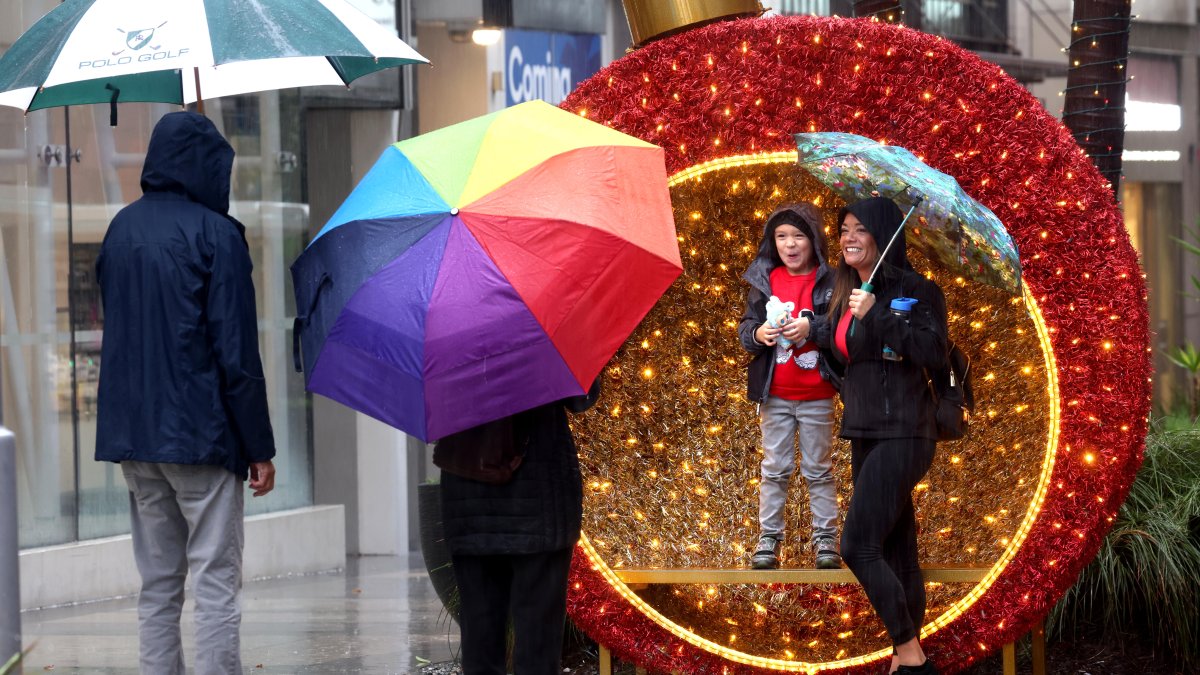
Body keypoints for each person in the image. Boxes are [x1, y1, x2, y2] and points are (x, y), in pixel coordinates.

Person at [95, 111, 277, 675]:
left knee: (158, 584)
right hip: (202, 436)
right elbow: (236, 355)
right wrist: (259, 447)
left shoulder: (119, 228)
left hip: (135, 437)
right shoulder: (217, 236)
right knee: (216, 581)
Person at [822, 197, 947, 675]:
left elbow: (933, 351)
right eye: (843, 229)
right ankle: (906, 658)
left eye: (859, 229)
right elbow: (846, 355)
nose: (848, 237)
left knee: (857, 545)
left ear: (883, 234)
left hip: (906, 431)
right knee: (896, 545)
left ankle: (909, 652)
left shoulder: (916, 290)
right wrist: (809, 333)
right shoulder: (844, 289)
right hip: (864, 430)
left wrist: (878, 314)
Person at [438, 380, 600, 675]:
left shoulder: (444, 346)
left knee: (480, 646)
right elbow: (581, 399)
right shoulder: (543, 336)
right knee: (537, 648)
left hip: (469, 501)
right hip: (540, 501)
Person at [738, 204, 840, 570]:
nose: (790, 244)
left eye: (798, 236)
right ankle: (769, 538)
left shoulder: (830, 281)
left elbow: (843, 329)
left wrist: (813, 330)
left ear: (813, 241)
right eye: (782, 236)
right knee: (775, 468)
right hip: (775, 394)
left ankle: (826, 540)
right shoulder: (765, 280)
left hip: (817, 393)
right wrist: (757, 333)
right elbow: (745, 328)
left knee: (818, 469)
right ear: (772, 241)